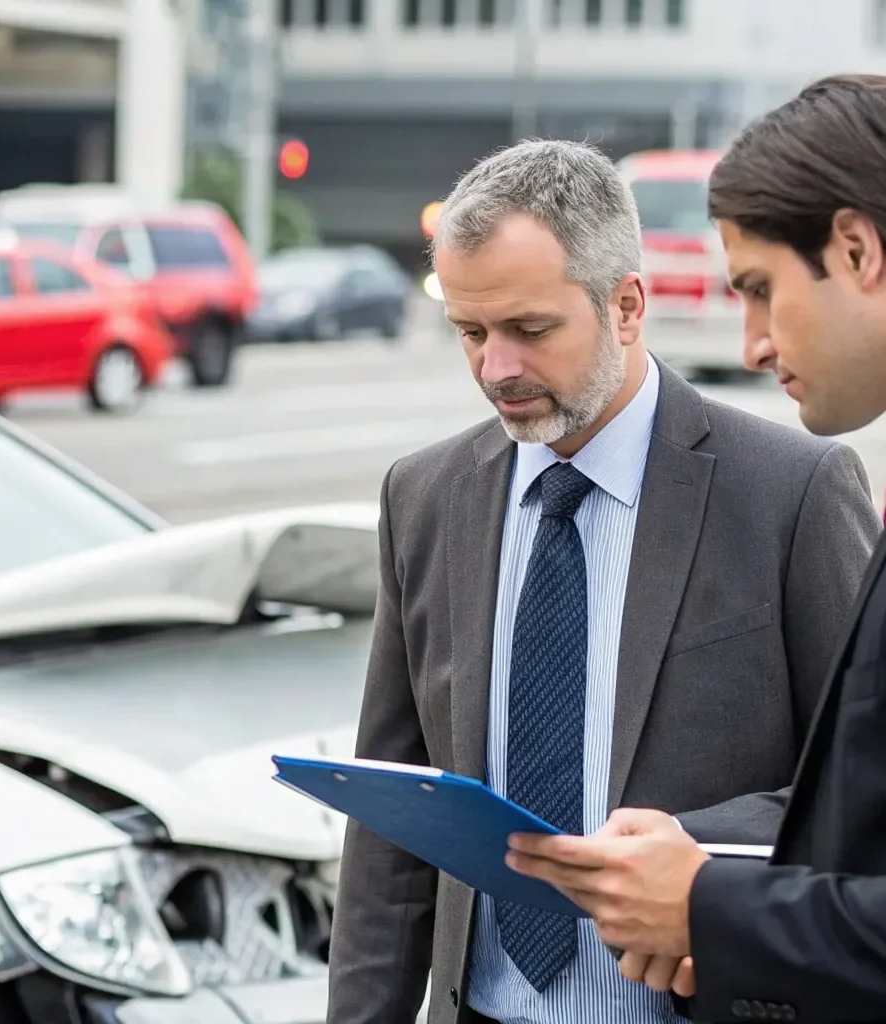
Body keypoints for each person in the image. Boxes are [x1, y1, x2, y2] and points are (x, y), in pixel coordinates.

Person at [326, 137, 881, 1024]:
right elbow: (393, 830)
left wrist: (682, 858)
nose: (495, 368)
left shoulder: (793, 493)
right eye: (471, 332)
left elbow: (861, 801)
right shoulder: (425, 496)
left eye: (531, 330)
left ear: (627, 307)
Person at [500, 76, 886, 1024]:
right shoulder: (433, 491)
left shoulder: (795, 487)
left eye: (759, 291)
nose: (750, 342)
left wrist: (707, 903)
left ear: (856, 249)